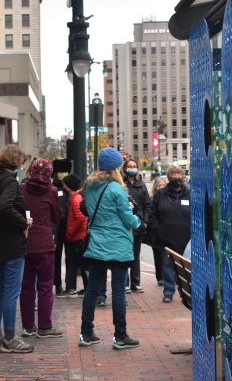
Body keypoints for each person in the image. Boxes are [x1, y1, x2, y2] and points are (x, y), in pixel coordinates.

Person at [79, 147, 142, 350]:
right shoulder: (116, 188)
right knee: (118, 292)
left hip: (96, 245)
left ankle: (86, 333)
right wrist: (138, 221)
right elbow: (127, 219)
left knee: (92, 290)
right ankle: (120, 336)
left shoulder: (90, 187)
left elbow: (89, 211)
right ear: (116, 166)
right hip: (118, 246)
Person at [0, 145, 34, 353]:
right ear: (15, 162)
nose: (22, 166)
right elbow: (5, 207)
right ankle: (10, 338)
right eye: (21, 162)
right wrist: (23, 222)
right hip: (11, 241)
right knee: (11, 291)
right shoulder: (10, 182)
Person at [20, 159, 63, 338]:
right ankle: (45, 327)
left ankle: (28, 326)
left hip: (25, 241)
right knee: (45, 285)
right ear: (49, 172)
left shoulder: (21, 189)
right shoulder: (52, 191)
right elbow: (57, 216)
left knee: (26, 286)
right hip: (44, 242)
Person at [148, 166, 191, 303]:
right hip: (166, 237)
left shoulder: (190, 193)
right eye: (173, 178)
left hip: (186, 236)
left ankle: (188, 292)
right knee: (167, 265)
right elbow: (152, 214)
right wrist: (158, 230)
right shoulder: (160, 194)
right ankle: (168, 291)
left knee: (187, 266)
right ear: (168, 178)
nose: (176, 181)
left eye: (179, 178)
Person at [121, 158, 150, 293]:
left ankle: (135, 282)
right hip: (125, 223)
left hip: (138, 223)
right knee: (125, 253)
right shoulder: (121, 183)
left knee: (136, 254)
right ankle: (125, 283)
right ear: (125, 168)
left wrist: (145, 221)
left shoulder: (141, 185)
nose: (132, 168)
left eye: (134, 166)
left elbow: (147, 205)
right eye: (129, 166)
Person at [57, 173, 88, 298]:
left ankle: (79, 288)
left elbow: (80, 218)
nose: (63, 186)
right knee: (75, 262)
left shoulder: (75, 199)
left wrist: (70, 231)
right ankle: (76, 288)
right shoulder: (75, 198)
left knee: (80, 262)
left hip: (77, 237)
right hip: (76, 236)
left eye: (65, 184)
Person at [52, 159, 71, 296]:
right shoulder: (53, 188)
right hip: (57, 226)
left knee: (70, 256)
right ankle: (58, 284)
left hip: (70, 226)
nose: (63, 174)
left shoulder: (70, 188)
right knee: (56, 256)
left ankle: (70, 285)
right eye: (60, 172)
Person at [146, 177, 167, 286]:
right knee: (158, 256)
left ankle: (168, 276)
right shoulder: (151, 199)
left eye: (163, 184)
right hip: (155, 232)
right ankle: (160, 277)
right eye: (159, 185)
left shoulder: (168, 198)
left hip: (168, 230)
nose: (161, 187)